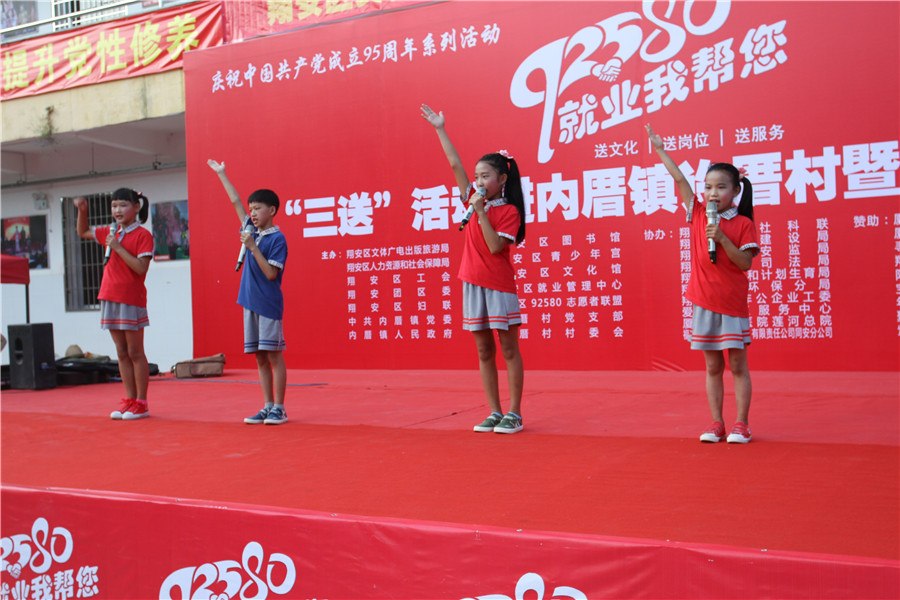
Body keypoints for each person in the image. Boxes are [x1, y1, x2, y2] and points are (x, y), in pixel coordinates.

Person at [645, 124, 759, 443]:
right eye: (708, 187)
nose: (713, 193)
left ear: (735, 191)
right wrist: (660, 149)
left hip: (731, 303)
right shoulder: (697, 213)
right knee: (712, 367)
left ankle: (742, 423)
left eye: (721, 187)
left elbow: (745, 263)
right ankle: (716, 422)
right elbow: (679, 179)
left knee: (737, 365)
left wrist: (721, 238)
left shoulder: (743, 224)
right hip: (703, 301)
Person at [421, 104, 527, 434]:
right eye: (477, 176)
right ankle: (494, 411)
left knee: (508, 349)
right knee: (483, 350)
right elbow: (454, 163)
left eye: (486, 177)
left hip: (498, 285)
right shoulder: (470, 197)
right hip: (472, 282)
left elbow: (496, 247)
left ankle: (514, 413)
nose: (479, 182)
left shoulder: (509, 211)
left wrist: (480, 213)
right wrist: (440, 128)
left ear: (502, 179)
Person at [207, 159, 289, 425]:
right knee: (260, 357)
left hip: (268, 304)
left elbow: (271, 273)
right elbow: (235, 202)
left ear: (272, 210)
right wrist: (222, 174)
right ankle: (267, 406)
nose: (252, 213)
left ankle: (280, 408)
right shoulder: (251, 231)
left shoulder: (277, 239)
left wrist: (252, 247)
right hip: (249, 302)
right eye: (251, 209)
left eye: (257, 208)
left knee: (273, 355)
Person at [74, 190, 153, 420]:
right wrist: (82, 211)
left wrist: (118, 247)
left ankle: (142, 403)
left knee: (135, 352)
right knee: (121, 352)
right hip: (109, 295)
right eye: (114, 206)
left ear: (136, 207)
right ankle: (129, 400)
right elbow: (83, 232)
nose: (117, 210)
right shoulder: (110, 232)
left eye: (123, 205)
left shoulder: (142, 235)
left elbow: (141, 268)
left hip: (130, 298)